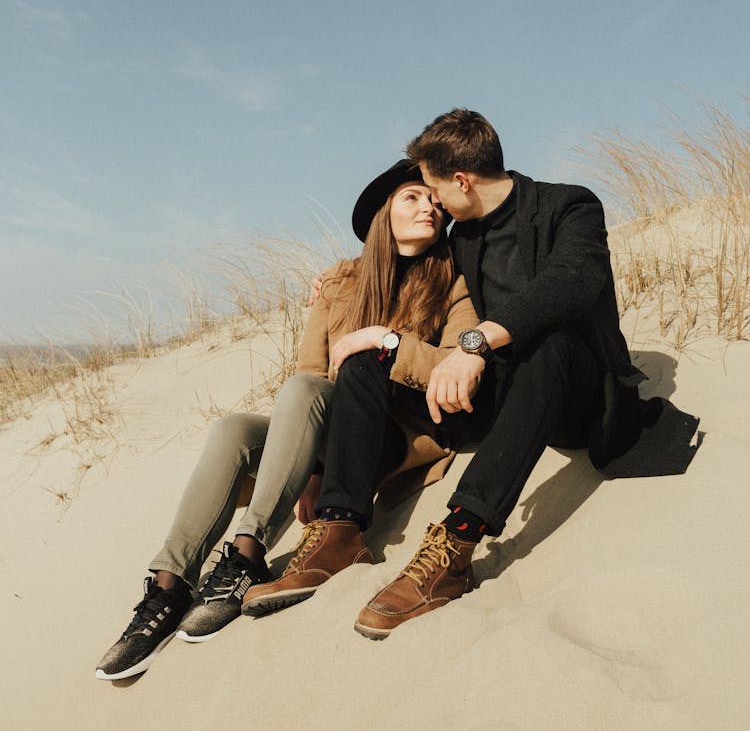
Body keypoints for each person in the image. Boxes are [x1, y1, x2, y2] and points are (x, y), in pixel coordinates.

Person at [244, 108, 699, 638]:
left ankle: (456, 542)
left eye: (434, 189)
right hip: (490, 401)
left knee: (549, 342)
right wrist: (344, 276)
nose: (432, 202)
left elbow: (572, 281)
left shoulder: (568, 205)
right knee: (370, 358)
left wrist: (476, 343)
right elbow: (401, 262)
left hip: (573, 392)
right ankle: (340, 527)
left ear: (461, 180)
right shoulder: (461, 240)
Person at [95, 159, 479, 679]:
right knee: (234, 428)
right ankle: (169, 584)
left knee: (302, 392)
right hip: (326, 427)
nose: (429, 207)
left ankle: (248, 550)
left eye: (434, 201)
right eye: (413, 197)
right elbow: (311, 374)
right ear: (383, 212)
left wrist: (386, 343)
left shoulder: (453, 282)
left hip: (395, 432)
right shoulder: (341, 282)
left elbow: (453, 365)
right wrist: (310, 463)